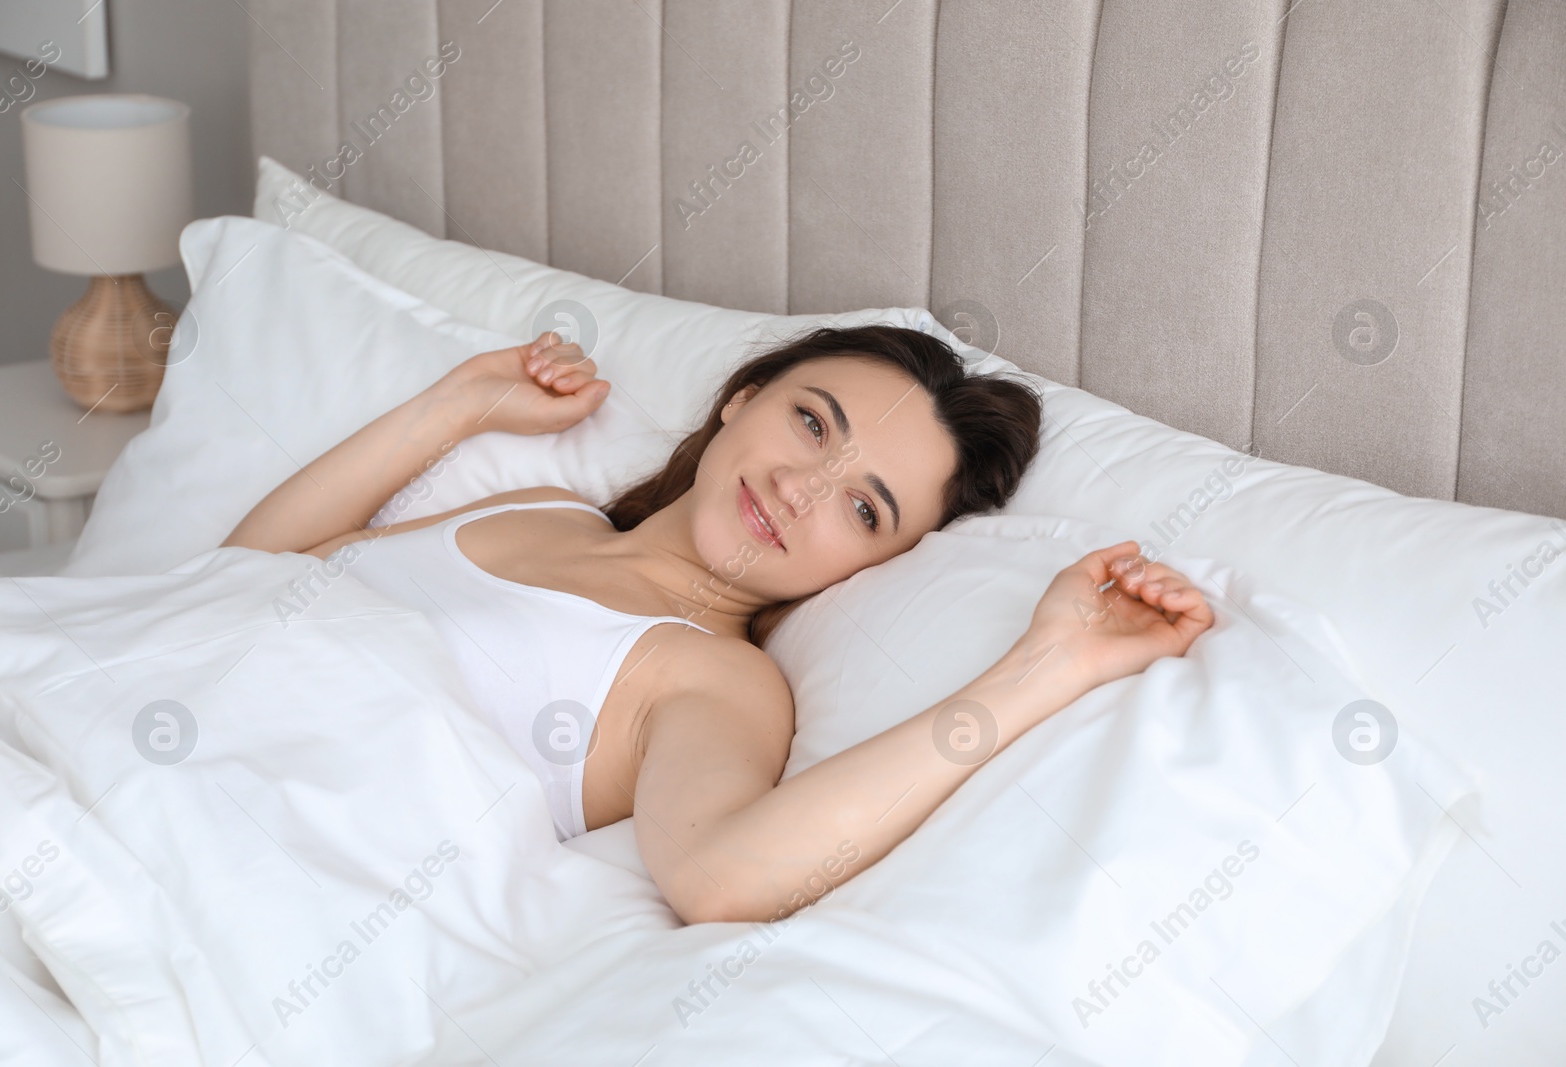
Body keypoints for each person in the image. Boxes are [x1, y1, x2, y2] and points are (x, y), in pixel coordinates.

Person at [223, 324, 1213, 924]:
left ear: (876, 565)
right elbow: (246, 579)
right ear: (741, 398)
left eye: (863, 507)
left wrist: (1047, 663)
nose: (798, 485)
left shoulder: (712, 678)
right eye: (812, 422)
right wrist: (462, 402)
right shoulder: (529, 506)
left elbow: (720, 876)